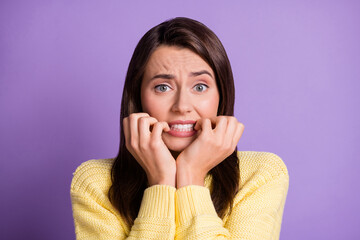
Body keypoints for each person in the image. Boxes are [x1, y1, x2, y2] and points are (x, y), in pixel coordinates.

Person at [70, 17, 289, 240]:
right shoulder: (95, 183)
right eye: (163, 87)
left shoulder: (260, 175)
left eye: (200, 86)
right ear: (138, 98)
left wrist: (191, 174)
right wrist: (161, 181)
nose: (182, 106)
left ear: (221, 96)